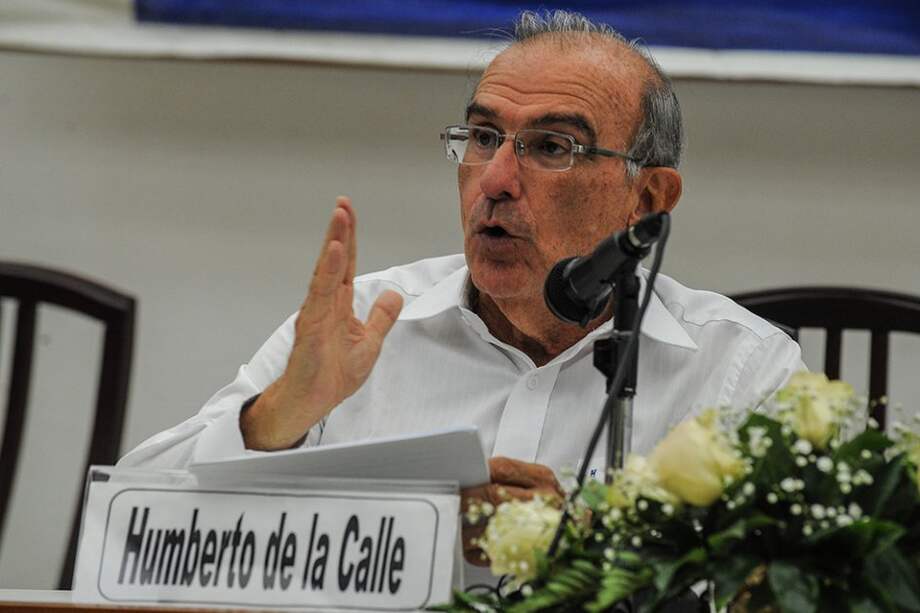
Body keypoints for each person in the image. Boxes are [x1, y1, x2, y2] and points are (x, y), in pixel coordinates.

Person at [119, 10, 804, 568]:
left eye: (551, 147)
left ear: (648, 198)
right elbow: (129, 522)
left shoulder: (741, 370)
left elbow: (811, 581)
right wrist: (276, 418)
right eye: (482, 136)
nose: (495, 179)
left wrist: (601, 543)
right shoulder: (364, 323)